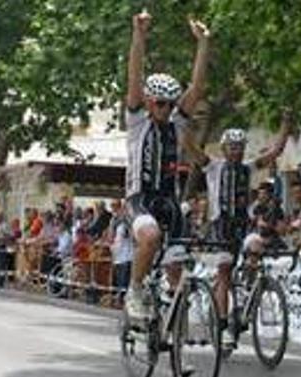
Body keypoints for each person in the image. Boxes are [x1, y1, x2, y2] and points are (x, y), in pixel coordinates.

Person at [122, 9, 211, 320]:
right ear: (148, 102)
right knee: (149, 237)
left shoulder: (177, 124)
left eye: (171, 104)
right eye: (160, 103)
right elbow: (134, 76)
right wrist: (139, 35)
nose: (166, 109)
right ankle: (134, 290)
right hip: (139, 200)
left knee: (177, 269)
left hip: (169, 203)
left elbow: (196, 88)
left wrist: (203, 44)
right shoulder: (136, 121)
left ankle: (173, 334)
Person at [192, 120, 291, 348]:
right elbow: (192, 151)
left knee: (256, 245)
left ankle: (247, 291)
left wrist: (285, 125)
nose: (237, 150)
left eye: (240, 146)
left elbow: (275, 152)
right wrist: (183, 123)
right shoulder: (213, 166)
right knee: (225, 271)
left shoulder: (249, 167)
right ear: (224, 148)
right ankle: (224, 326)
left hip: (243, 225)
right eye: (232, 146)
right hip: (221, 227)